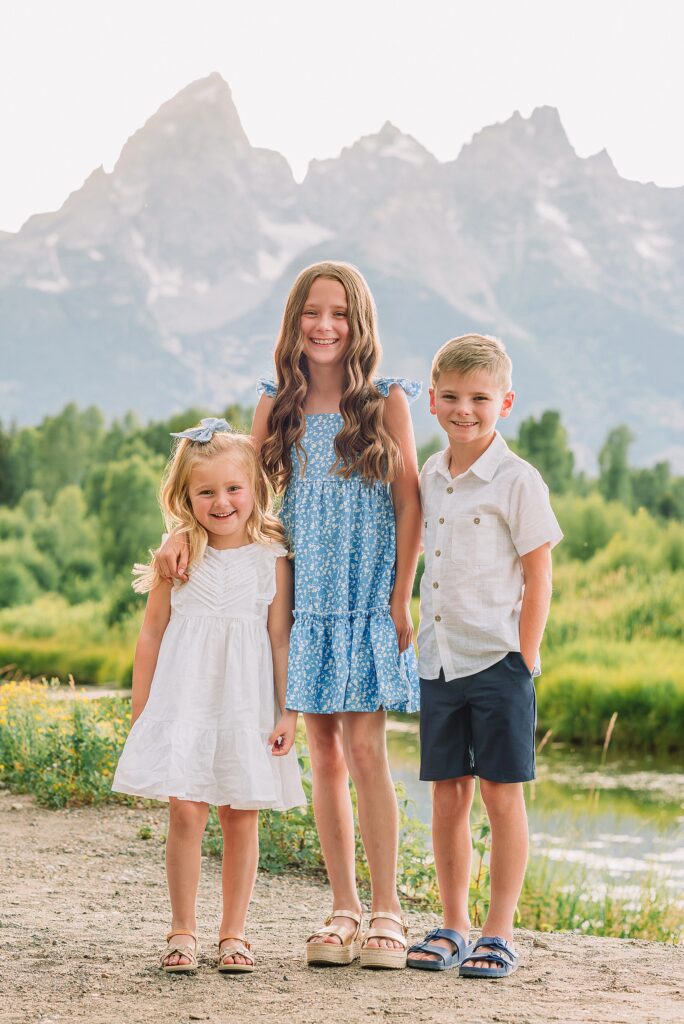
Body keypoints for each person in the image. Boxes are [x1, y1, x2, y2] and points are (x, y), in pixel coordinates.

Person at [156, 261, 422, 969]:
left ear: (359, 323)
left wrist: (400, 595)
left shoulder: (387, 401)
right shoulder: (276, 402)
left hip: (364, 597)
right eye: (312, 312)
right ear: (294, 320)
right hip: (300, 598)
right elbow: (239, 494)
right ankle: (342, 909)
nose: (324, 325)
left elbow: (409, 504)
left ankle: (388, 911)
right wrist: (181, 531)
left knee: (367, 751)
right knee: (324, 753)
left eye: (339, 313)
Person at [112, 421, 305, 975]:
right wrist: (143, 711)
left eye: (233, 488)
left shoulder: (272, 558)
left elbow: (280, 639)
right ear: (186, 496)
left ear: (254, 489)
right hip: (185, 702)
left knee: (241, 815)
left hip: (247, 704)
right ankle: (182, 930)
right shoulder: (177, 558)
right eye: (206, 492)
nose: (222, 502)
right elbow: (151, 635)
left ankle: (234, 933)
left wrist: (288, 712)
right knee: (186, 811)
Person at [406, 334, 562, 979]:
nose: (463, 409)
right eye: (451, 396)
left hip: (499, 662)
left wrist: (526, 656)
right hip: (438, 661)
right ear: (432, 401)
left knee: (501, 796)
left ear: (505, 402)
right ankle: (454, 925)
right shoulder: (429, 475)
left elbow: (539, 573)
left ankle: (499, 931)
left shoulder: (518, 481)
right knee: (448, 796)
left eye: (479, 398)